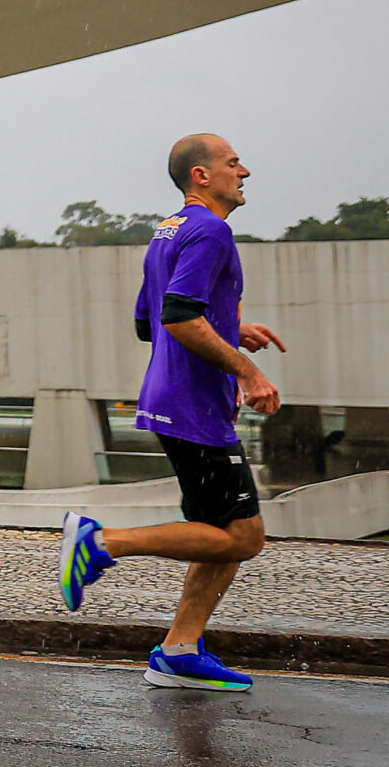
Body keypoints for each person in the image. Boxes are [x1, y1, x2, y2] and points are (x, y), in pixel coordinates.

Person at [60, 133, 286, 690]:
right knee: (245, 538)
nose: (246, 171)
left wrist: (234, 329)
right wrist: (247, 372)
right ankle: (101, 542)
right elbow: (179, 318)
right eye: (234, 163)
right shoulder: (211, 230)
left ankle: (180, 650)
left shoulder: (168, 231)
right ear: (202, 176)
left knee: (220, 530)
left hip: (174, 398)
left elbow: (148, 320)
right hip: (194, 406)